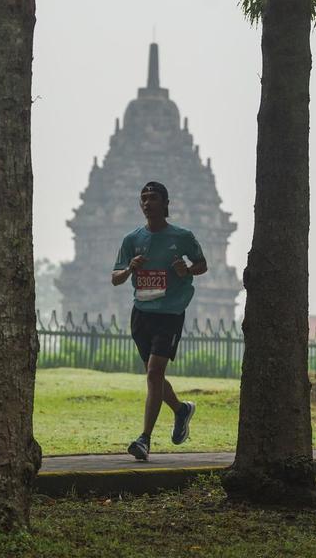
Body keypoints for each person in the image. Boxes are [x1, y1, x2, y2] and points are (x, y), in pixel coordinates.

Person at [111, 181, 208, 460]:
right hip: (142, 313)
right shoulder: (132, 240)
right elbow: (115, 279)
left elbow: (202, 265)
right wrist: (130, 268)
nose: (147, 203)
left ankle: (144, 439)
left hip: (170, 313)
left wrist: (186, 269)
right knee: (154, 376)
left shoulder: (183, 236)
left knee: (154, 373)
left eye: (153, 198)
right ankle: (181, 409)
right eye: (143, 198)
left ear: (166, 204)